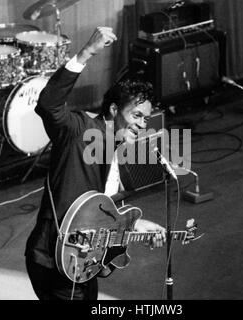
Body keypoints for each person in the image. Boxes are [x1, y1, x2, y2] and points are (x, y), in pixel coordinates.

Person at [25, 27, 167, 300]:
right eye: (136, 115)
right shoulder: (79, 130)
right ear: (114, 110)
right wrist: (86, 52)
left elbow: (106, 211)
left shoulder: (123, 153)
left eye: (145, 119)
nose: (141, 125)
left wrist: (136, 225)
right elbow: (48, 104)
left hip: (85, 263)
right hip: (55, 260)